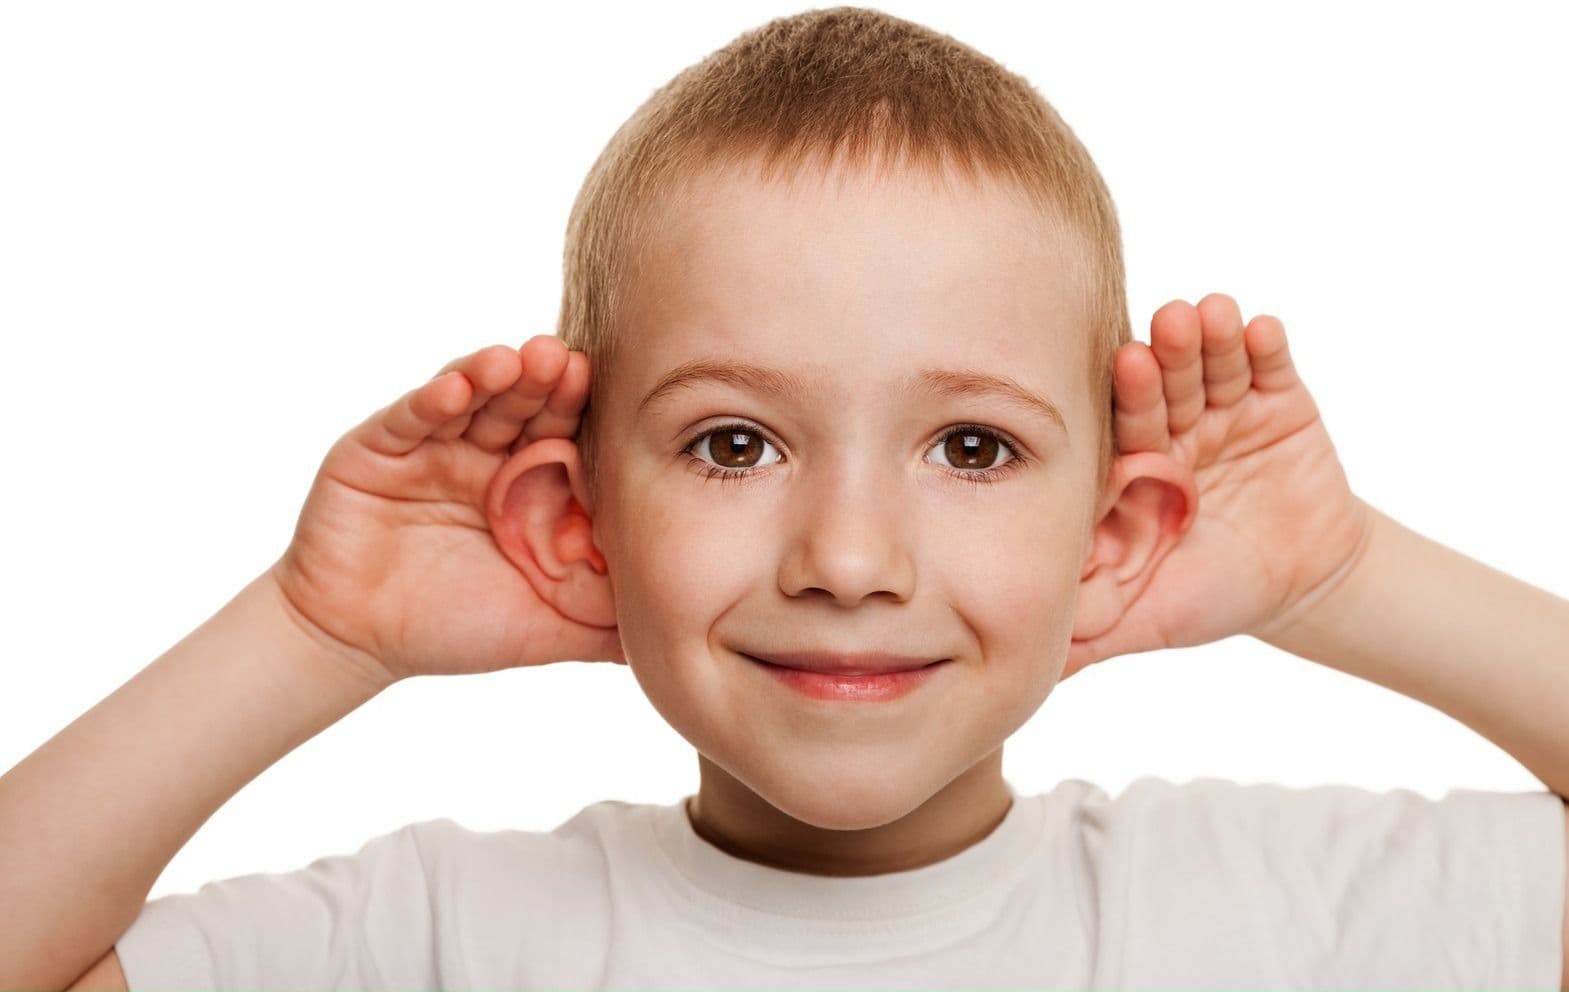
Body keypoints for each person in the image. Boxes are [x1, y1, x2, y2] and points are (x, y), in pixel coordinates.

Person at [3, 6, 1565, 990]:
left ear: (1112, 539)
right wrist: (314, 630)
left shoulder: (1280, 916)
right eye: (734, 445)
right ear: (575, 524)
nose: (848, 558)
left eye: (971, 449)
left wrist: (1337, 575)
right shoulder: (435, 938)